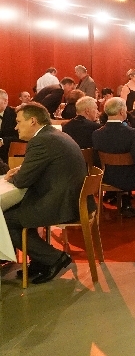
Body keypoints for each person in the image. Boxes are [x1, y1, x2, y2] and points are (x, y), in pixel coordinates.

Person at [4, 102, 86, 284]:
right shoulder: (55, 134)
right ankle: (40, 261)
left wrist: (12, 177)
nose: (16, 127)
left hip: (59, 204)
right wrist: (22, 171)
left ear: (33, 121)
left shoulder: (40, 141)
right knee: (15, 211)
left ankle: (54, 258)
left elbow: (23, 181)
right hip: (72, 199)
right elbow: (46, 167)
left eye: (18, 122)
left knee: (5, 220)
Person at [93, 98, 135, 218]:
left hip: (107, 177)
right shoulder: (131, 133)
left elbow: (96, 160)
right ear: (121, 112)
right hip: (130, 178)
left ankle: (125, 201)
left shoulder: (97, 133)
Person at [0, 89, 20, 162]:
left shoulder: (16, 114)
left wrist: (2, 141)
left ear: (5, 101)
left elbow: (21, 136)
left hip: (9, 155)